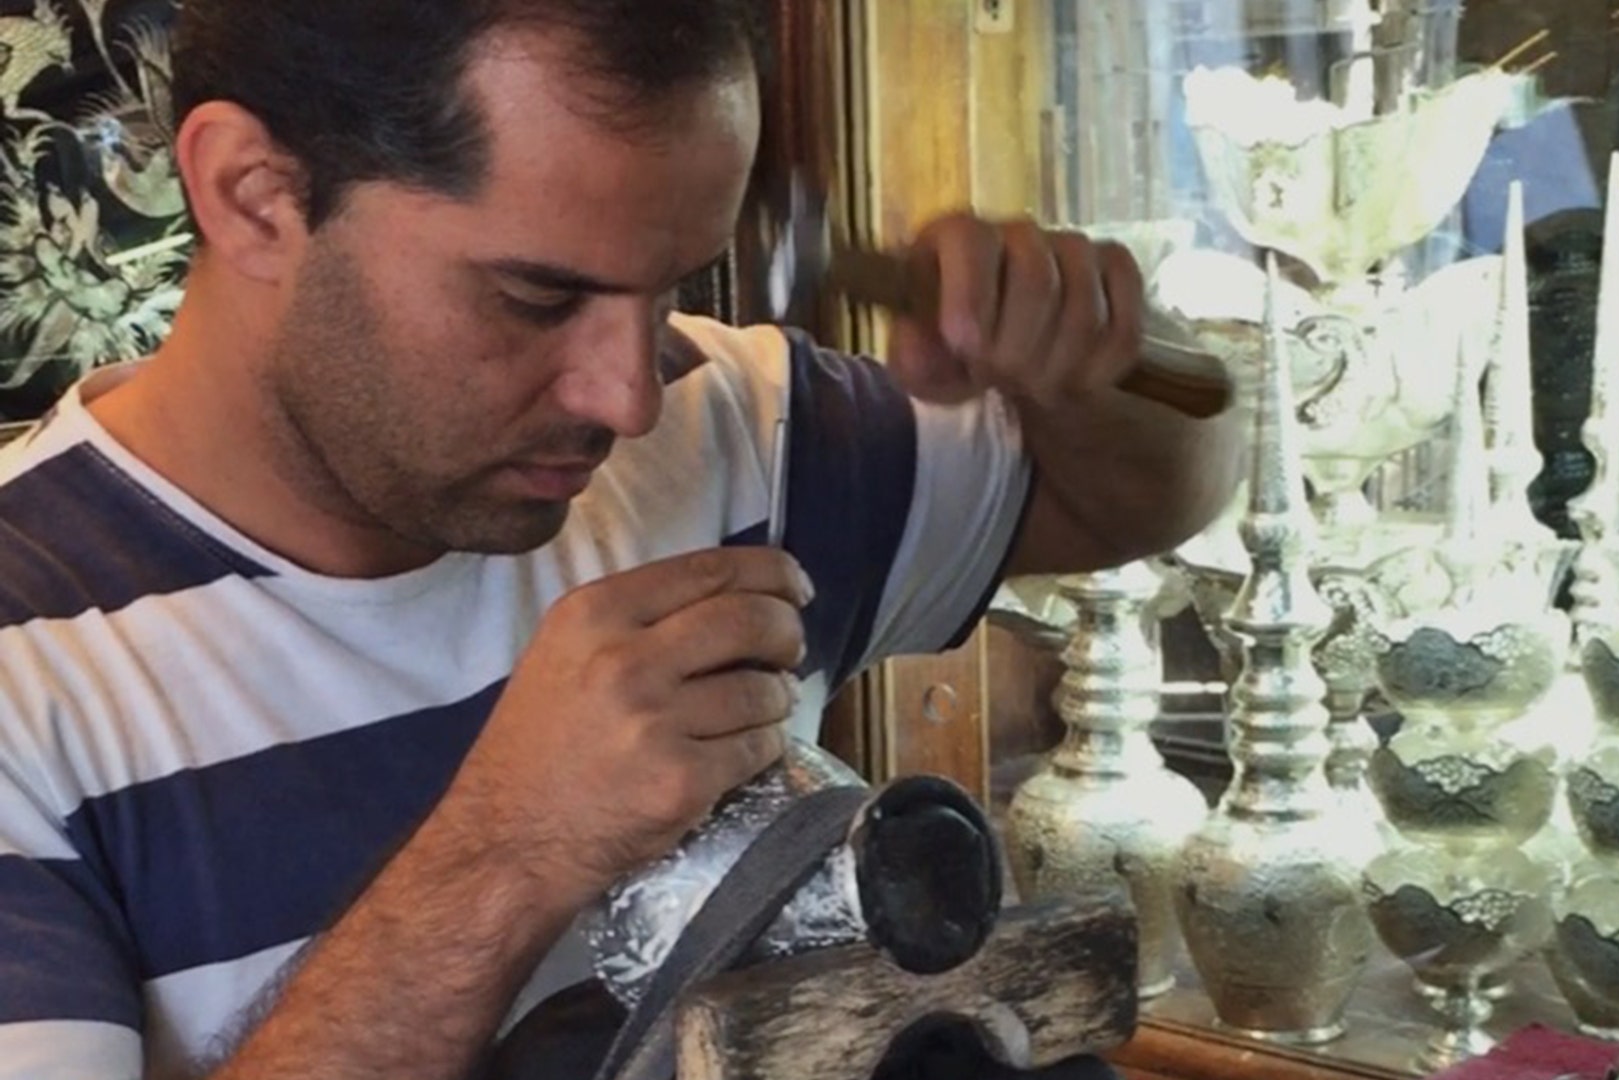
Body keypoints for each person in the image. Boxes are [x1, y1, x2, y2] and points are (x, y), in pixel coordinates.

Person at [0, 3, 1241, 1079]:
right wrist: (508, 852)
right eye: (536, 298)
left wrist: (1082, 363)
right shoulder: (28, 659)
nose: (625, 398)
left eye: (671, 288)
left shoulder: (736, 423)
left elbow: (1157, 492)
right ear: (254, 195)